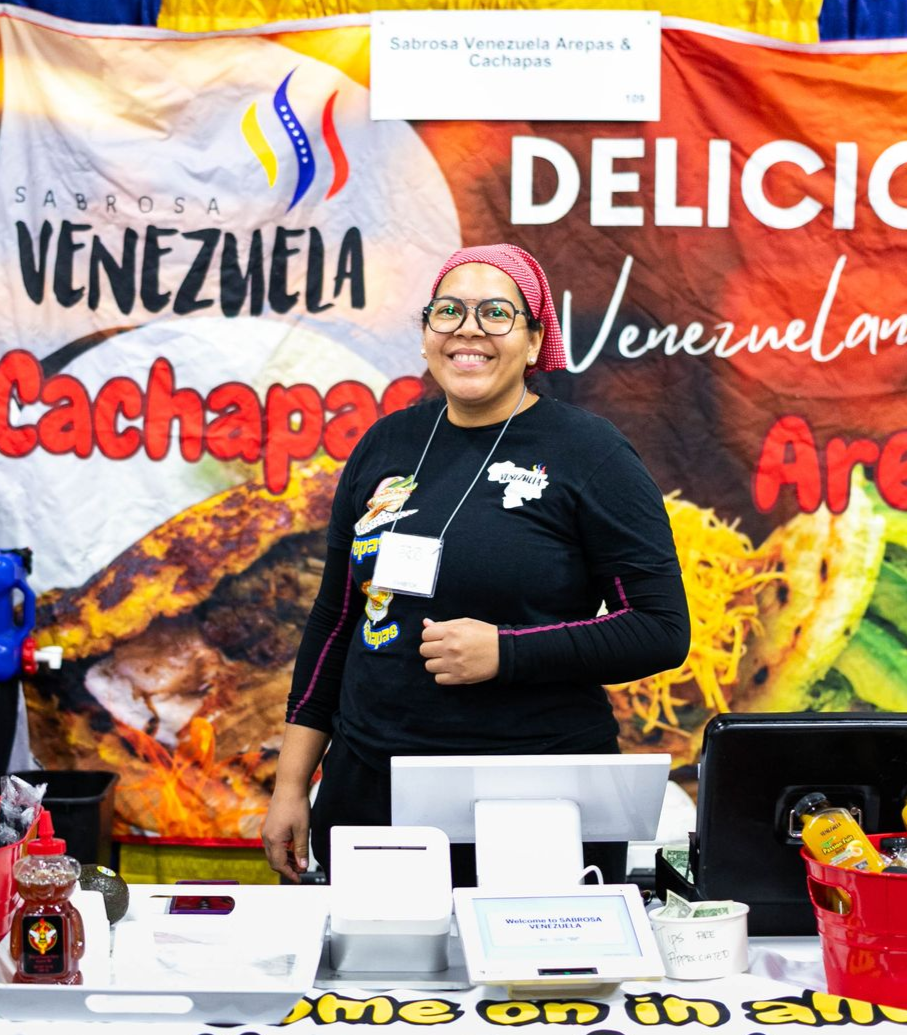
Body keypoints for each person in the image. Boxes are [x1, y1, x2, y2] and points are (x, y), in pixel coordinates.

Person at [261, 243, 690, 883]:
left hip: (532, 796)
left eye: (496, 313)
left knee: (535, 987)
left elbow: (659, 628)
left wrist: (506, 652)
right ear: (428, 332)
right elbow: (335, 619)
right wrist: (293, 783)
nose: (469, 330)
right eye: (448, 312)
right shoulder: (386, 443)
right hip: (372, 788)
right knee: (377, 981)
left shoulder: (588, 451)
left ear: (534, 336)